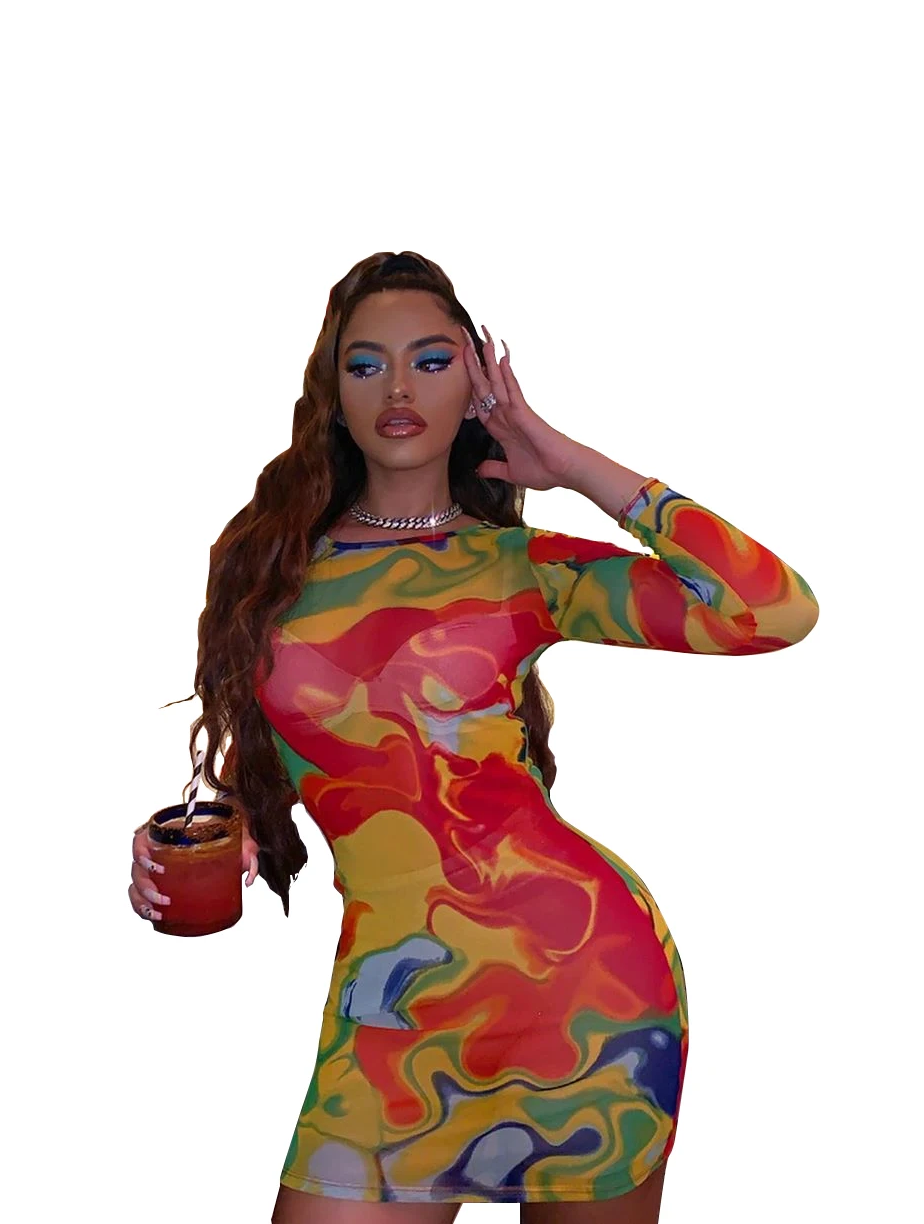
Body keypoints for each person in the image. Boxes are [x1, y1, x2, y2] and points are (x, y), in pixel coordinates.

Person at [128, 250, 819, 1223]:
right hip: (390, 1009)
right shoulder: (269, 567)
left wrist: (570, 464)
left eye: (432, 360)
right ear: (332, 393)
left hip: (587, 991)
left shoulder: (517, 565)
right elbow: (292, 746)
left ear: (476, 388)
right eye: (366, 363)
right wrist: (239, 826)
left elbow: (772, 609)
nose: (399, 388)